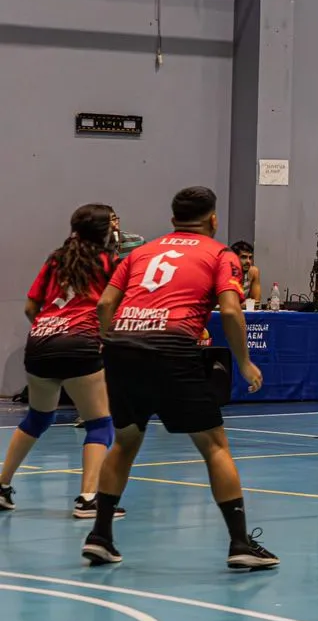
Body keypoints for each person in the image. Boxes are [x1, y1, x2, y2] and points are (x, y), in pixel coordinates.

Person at [84, 186, 277, 570]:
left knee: (124, 442)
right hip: (172, 348)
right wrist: (244, 363)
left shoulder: (139, 253)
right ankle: (240, 543)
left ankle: (100, 536)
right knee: (215, 447)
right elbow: (231, 311)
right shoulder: (220, 254)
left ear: (173, 219)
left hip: (123, 346)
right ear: (213, 220)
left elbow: (105, 303)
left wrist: (113, 343)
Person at [0, 204, 124, 518]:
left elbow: (31, 307)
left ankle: (2, 485)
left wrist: (51, 330)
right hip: (81, 343)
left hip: (40, 341)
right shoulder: (110, 262)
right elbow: (109, 305)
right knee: (99, 423)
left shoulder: (56, 259)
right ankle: (88, 499)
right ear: (104, 231)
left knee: (37, 419)